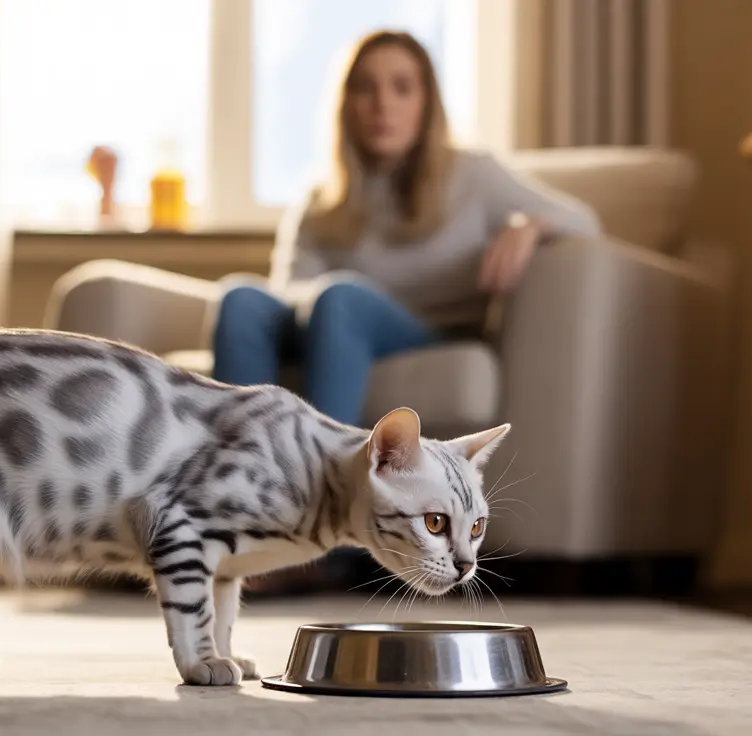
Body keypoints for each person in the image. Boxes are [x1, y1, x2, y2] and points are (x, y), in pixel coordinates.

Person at [211, 30, 602, 596]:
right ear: (346, 106)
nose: (383, 104)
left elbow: (585, 222)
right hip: (327, 323)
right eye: (366, 89)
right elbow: (286, 291)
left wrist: (527, 225)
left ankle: (327, 534)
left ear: (427, 101)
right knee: (240, 299)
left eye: (401, 87)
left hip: (421, 332)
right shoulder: (321, 201)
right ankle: (235, 522)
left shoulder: (474, 175)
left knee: (341, 297)